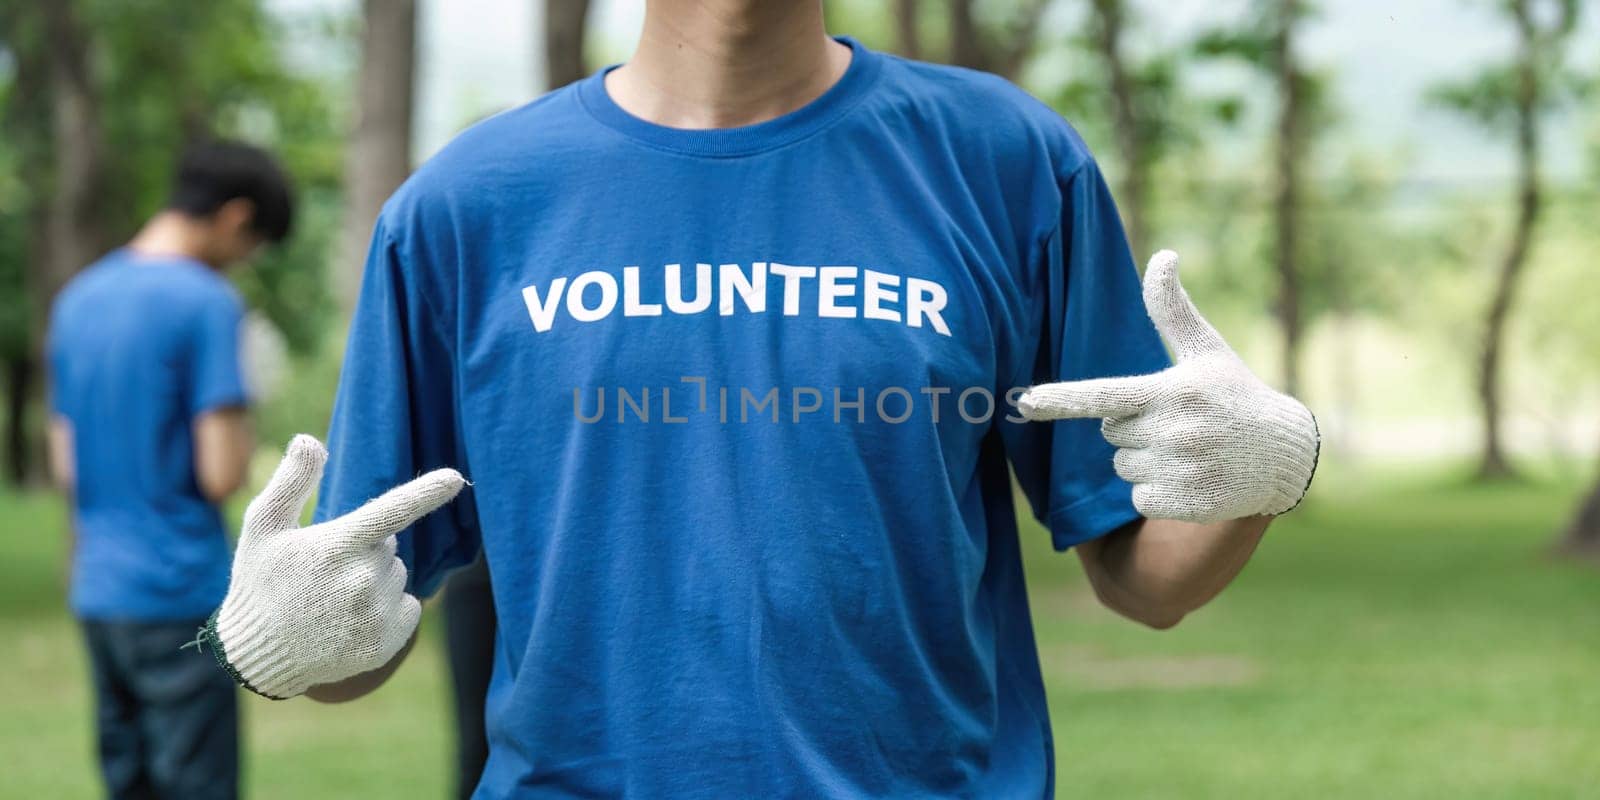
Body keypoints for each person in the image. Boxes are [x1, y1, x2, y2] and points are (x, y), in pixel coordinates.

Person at [195, 3, 1319, 797]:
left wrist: (1275, 465)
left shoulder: (1008, 163)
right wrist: (270, 636)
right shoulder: (464, 209)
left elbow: (1146, 577)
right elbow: (361, 631)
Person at [47, 140, 294, 800]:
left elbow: (64, 461)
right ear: (236, 217)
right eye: (254, 245)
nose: (245, 261)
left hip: (100, 592)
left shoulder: (78, 299)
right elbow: (220, 471)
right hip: (179, 590)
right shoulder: (206, 303)